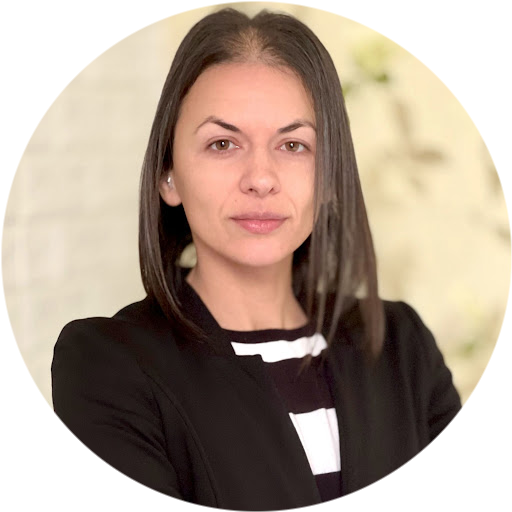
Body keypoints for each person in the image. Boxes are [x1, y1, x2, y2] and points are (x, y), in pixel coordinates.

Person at [51, 8, 462, 510]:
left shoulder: (403, 347)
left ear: (330, 178)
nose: (261, 178)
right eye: (223, 143)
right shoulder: (107, 366)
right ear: (168, 176)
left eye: (293, 145)